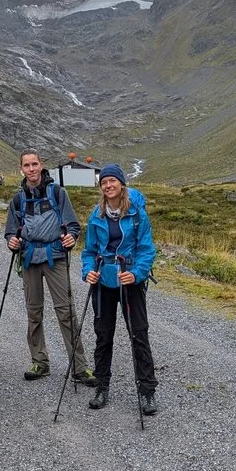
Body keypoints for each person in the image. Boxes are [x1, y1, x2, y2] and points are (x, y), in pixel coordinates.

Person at [4, 150, 95, 386]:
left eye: (35, 164)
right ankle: (40, 362)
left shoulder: (57, 193)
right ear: (21, 169)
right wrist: (12, 241)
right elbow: (11, 231)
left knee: (66, 312)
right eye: (27, 165)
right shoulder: (17, 200)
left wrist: (71, 238)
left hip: (56, 257)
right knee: (34, 312)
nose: (31, 169)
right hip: (30, 259)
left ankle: (80, 367)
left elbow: (73, 225)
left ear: (41, 166)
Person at [80, 164, 158, 414]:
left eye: (112, 181)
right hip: (103, 282)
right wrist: (88, 271)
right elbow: (89, 251)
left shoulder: (137, 214)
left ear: (122, 184)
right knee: (103, 335)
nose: (108, 185)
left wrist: (136, 274)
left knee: (139, 335)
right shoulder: (96, 215)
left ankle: (147, 392)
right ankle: (101, 387)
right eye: (104, 182)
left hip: (130, 281)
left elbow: (147, 250)